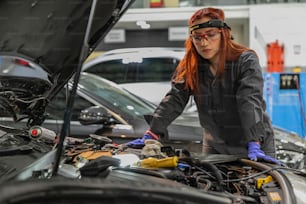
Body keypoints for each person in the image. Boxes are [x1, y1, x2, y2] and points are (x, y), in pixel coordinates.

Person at [126, 7, 280, 165]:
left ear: (223, 33)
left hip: (255, 145)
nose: (204, 42)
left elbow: (249, 100)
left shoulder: (245, 60)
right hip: (216, 144)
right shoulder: (191, 66)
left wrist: (254, 141)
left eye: (211, 35)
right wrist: (153, 132)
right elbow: (174, 100)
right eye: (197, 37)